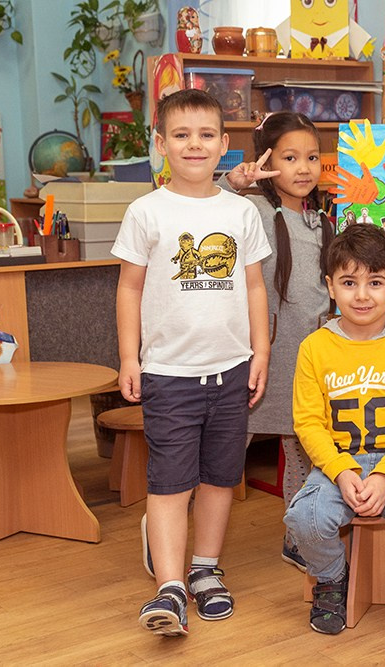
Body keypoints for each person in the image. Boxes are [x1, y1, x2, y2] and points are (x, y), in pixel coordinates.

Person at [113, 89, 272, 637]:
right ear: (161, 144)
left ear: (225, 145)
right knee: (170, 483)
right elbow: (129, 288)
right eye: (181, 135)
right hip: (168, 375)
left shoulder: (241, 211)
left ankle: (205, 569)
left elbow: (254, 288)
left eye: (206, 135)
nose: (194, 145)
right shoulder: (146, 211)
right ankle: (170, 585)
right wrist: (128, 357)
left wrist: (262, 351)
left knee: (220, 479)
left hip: (231, 370)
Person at [285, 223, 385, 637]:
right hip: (336, 463)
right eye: (349, 282)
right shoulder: (315, 348)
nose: (361, 295)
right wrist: (341, 472)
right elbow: (308, 422)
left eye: (375, 282)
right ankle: (330, 580)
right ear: (330, 286)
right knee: (304, 517)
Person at [219, 111, 335, 574]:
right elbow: (208, 205)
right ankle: (170, 525)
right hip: (262, 355)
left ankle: (298, 535)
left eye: (312, 157)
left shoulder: (322, 219)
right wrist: (234, 180)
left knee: (302, 448)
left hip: (309, 357)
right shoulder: (256, 211)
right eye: (290, 158)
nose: (304, 168)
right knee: (226, 447)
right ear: (268, 160)